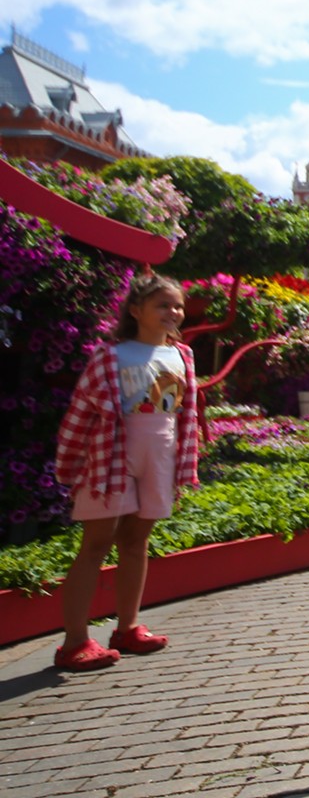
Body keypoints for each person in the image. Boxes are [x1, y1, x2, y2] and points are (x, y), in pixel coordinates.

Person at [52, 273, 201, 671]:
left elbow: (185, 415)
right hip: (110, 459)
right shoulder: (111, 355)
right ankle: (74, 642)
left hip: (159, 457)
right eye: (162, 305)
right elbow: (80, 412)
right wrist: (69, 465)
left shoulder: (182, 356)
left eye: (177, 306)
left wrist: (185, 464)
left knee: (137, 542)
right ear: (136, 311)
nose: (173, 312)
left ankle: (127, 627)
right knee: (96, 544)